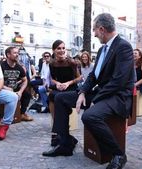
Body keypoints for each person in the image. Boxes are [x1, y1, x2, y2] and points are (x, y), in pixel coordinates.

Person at [42, 13, 134, 169]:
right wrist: (83, 92)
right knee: (60, 98)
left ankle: (118, 154)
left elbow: (119, 81)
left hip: (117, 97)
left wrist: (96, 100)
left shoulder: (123, 47)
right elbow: (93, 76)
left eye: (95, 30)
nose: (94, 34)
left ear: (102, 29)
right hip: (102, 93)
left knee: (90, 116)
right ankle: (65, 144)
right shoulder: (102, 49)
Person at [0, 47, 33, 121]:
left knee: (27, 93)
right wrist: (5, 88)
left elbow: (25, 80)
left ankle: (22, 114)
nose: (17, 55)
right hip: (3, 88)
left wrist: (20, 92)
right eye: (15, 53)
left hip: (15, 88)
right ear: (8, 55)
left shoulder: (19, 67)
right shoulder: (1, 66)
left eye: (18, 53)